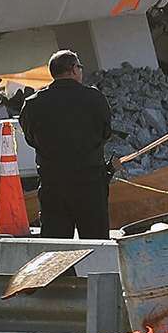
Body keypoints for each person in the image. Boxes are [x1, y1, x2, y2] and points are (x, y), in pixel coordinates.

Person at [18, 50, 114, 239]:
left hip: (53, 184)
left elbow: (30, 138)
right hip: (90, 183)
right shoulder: (94, 98)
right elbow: (105, 132)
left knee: (57, 244)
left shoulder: (33, 103)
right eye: (80, 67)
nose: (81, 71)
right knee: (96, 241)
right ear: (73, 69)